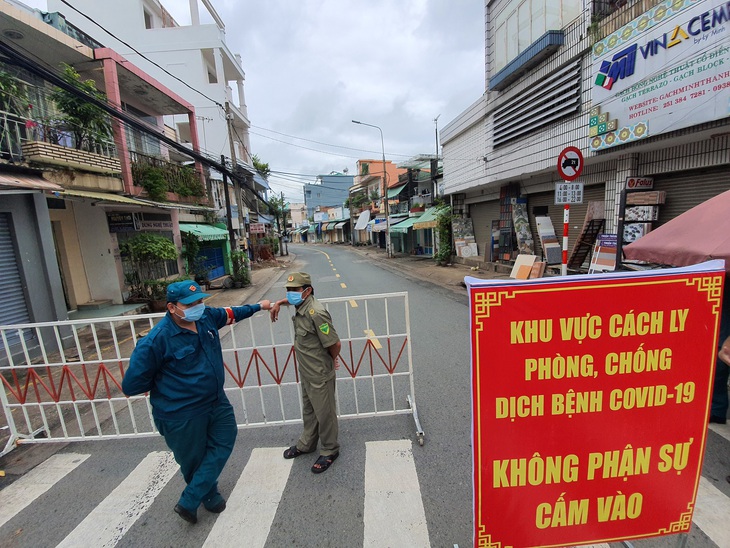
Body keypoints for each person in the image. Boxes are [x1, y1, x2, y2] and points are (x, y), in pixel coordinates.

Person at [122, 280, 272, 524]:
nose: (198, 306)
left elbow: (231, 313)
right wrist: (171, 387)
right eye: (190, 304)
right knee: (193, 460)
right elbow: (131, 385)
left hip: (215, 401)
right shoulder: (155, 341)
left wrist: (260, 306)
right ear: (172, 307)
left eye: (200, 301)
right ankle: (208, 495)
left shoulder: (205, 318)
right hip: (181, 413)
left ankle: (190, 498)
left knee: (225, 439)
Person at [270, 272, 342, 473]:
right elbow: (291, 299)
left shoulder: (316, 313)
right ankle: (307, 443)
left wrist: (332, 360)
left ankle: (329, 449)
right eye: (288, 290)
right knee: (309, 409)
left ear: (307, 290)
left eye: (294, 290)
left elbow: (334, 343)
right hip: (306, 370)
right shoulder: (301, 305)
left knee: (324, 412)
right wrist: (279, 302)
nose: (290, 293)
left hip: (319, 371)